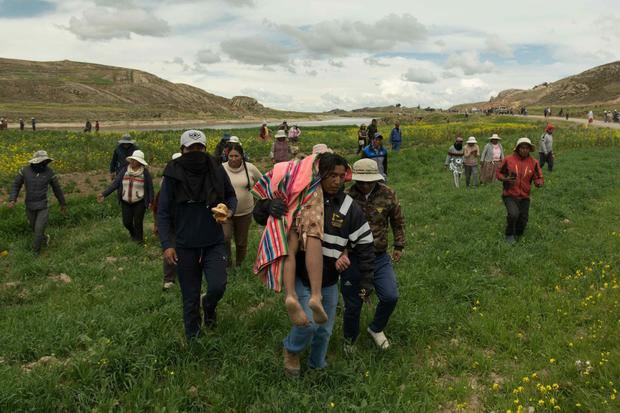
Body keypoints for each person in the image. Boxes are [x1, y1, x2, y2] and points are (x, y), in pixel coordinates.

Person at [253, 153, 375, 376]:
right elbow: (260, 215)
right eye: (332, 176)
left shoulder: (348, 206)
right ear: (321, 175)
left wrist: (362, 273)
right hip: (300, 275)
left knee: (324, 329)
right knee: (307, 322)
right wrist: (269, 206)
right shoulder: (304, 197)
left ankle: (317, 365)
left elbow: (365, 243)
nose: (337, 181)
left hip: (329, 279)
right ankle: (291, 350)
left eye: (341, 176)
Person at [157, 130, 237, 339]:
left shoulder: (216, 170)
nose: (196, 152)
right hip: (185, 244)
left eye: (199, 148)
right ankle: (194, 339)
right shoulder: (172, 174)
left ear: (205, 149)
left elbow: (230, 196)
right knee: (189, 296)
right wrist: (167, 244)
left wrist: (229, 210)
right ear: (182, 150)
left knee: (218, 286)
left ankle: (209, 306)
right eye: (190, 149)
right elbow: (163, 212)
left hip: (213, 241)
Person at [251, 145, 333, 327]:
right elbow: (258, 212)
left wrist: (269, 204)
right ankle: (316, 295)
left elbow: (259, 205)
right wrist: (267, 207)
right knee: (313, 237)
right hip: (316, 265)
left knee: (290, 245)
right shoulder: (317, 186)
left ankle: (290, 295)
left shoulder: (288, 174)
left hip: (291, 227)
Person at [341, 159, 405, 351]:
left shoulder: (388, 194)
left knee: (390, 296)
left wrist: (399, 245)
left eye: (369, 181)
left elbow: (398, 220)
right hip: (353, 257)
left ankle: (376, 328)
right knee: (353, 305)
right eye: (361, 181)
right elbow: (338, 228)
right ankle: (350, 340)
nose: (365, 185)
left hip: (379, 256)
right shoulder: (346, 196)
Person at [8, 150, 67, 254]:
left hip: (43, 206)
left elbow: (57, 189)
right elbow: (16, 185)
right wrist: (13, 199)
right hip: (29, 205)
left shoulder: (50, 172)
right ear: (35, 162)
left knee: (39, 229)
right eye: (41, 162)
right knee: (35, 229)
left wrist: (62, 203)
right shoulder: (24, 171)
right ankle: (45, 238)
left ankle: (36, 253)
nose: (44, 164)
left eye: (45, 162)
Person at [98, 150, 154, 244]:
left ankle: (139, 241)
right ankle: (133, 234)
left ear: (140, 162)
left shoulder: (145, 173)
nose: (132, 162)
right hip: (126, 201)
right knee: (126, 222)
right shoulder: (125, 170)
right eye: (131, 160)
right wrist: (104, 194)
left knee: (138, 222)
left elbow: (150, 188)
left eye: (134, 160)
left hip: (139, 202)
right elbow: (115, 183)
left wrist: (151, 201)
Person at [496, 138, 544, 244]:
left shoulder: (534, 162)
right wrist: (505, 178)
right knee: (513, 214)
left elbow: (538, 176)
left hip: (525, 196)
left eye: (527, 148)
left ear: (530, 149)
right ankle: (509, 234)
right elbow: (498, 173)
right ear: (518, 148)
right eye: (522, 148)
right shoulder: (508, 160)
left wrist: (539, 182)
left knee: (523, 220)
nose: (524, 150)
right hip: (510, 194)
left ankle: (517, 233)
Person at [222, 143, 262, 267]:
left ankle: (239, 264)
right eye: (230, 156)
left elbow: (263, 181)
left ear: (242, 156)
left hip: (245, 212)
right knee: (225, 238)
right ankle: (227, 264)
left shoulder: (250, 168)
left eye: (236, 156)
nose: (233, 159)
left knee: (241, 242)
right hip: (226, 212)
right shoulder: (221, 168)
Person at [153, 152, 182, 290]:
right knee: (170, 248)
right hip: (170, 221)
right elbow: (158, 207)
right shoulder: (166, 181)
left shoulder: (191, 179)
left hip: (185, 221)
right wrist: (157, 223)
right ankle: (169, 279)